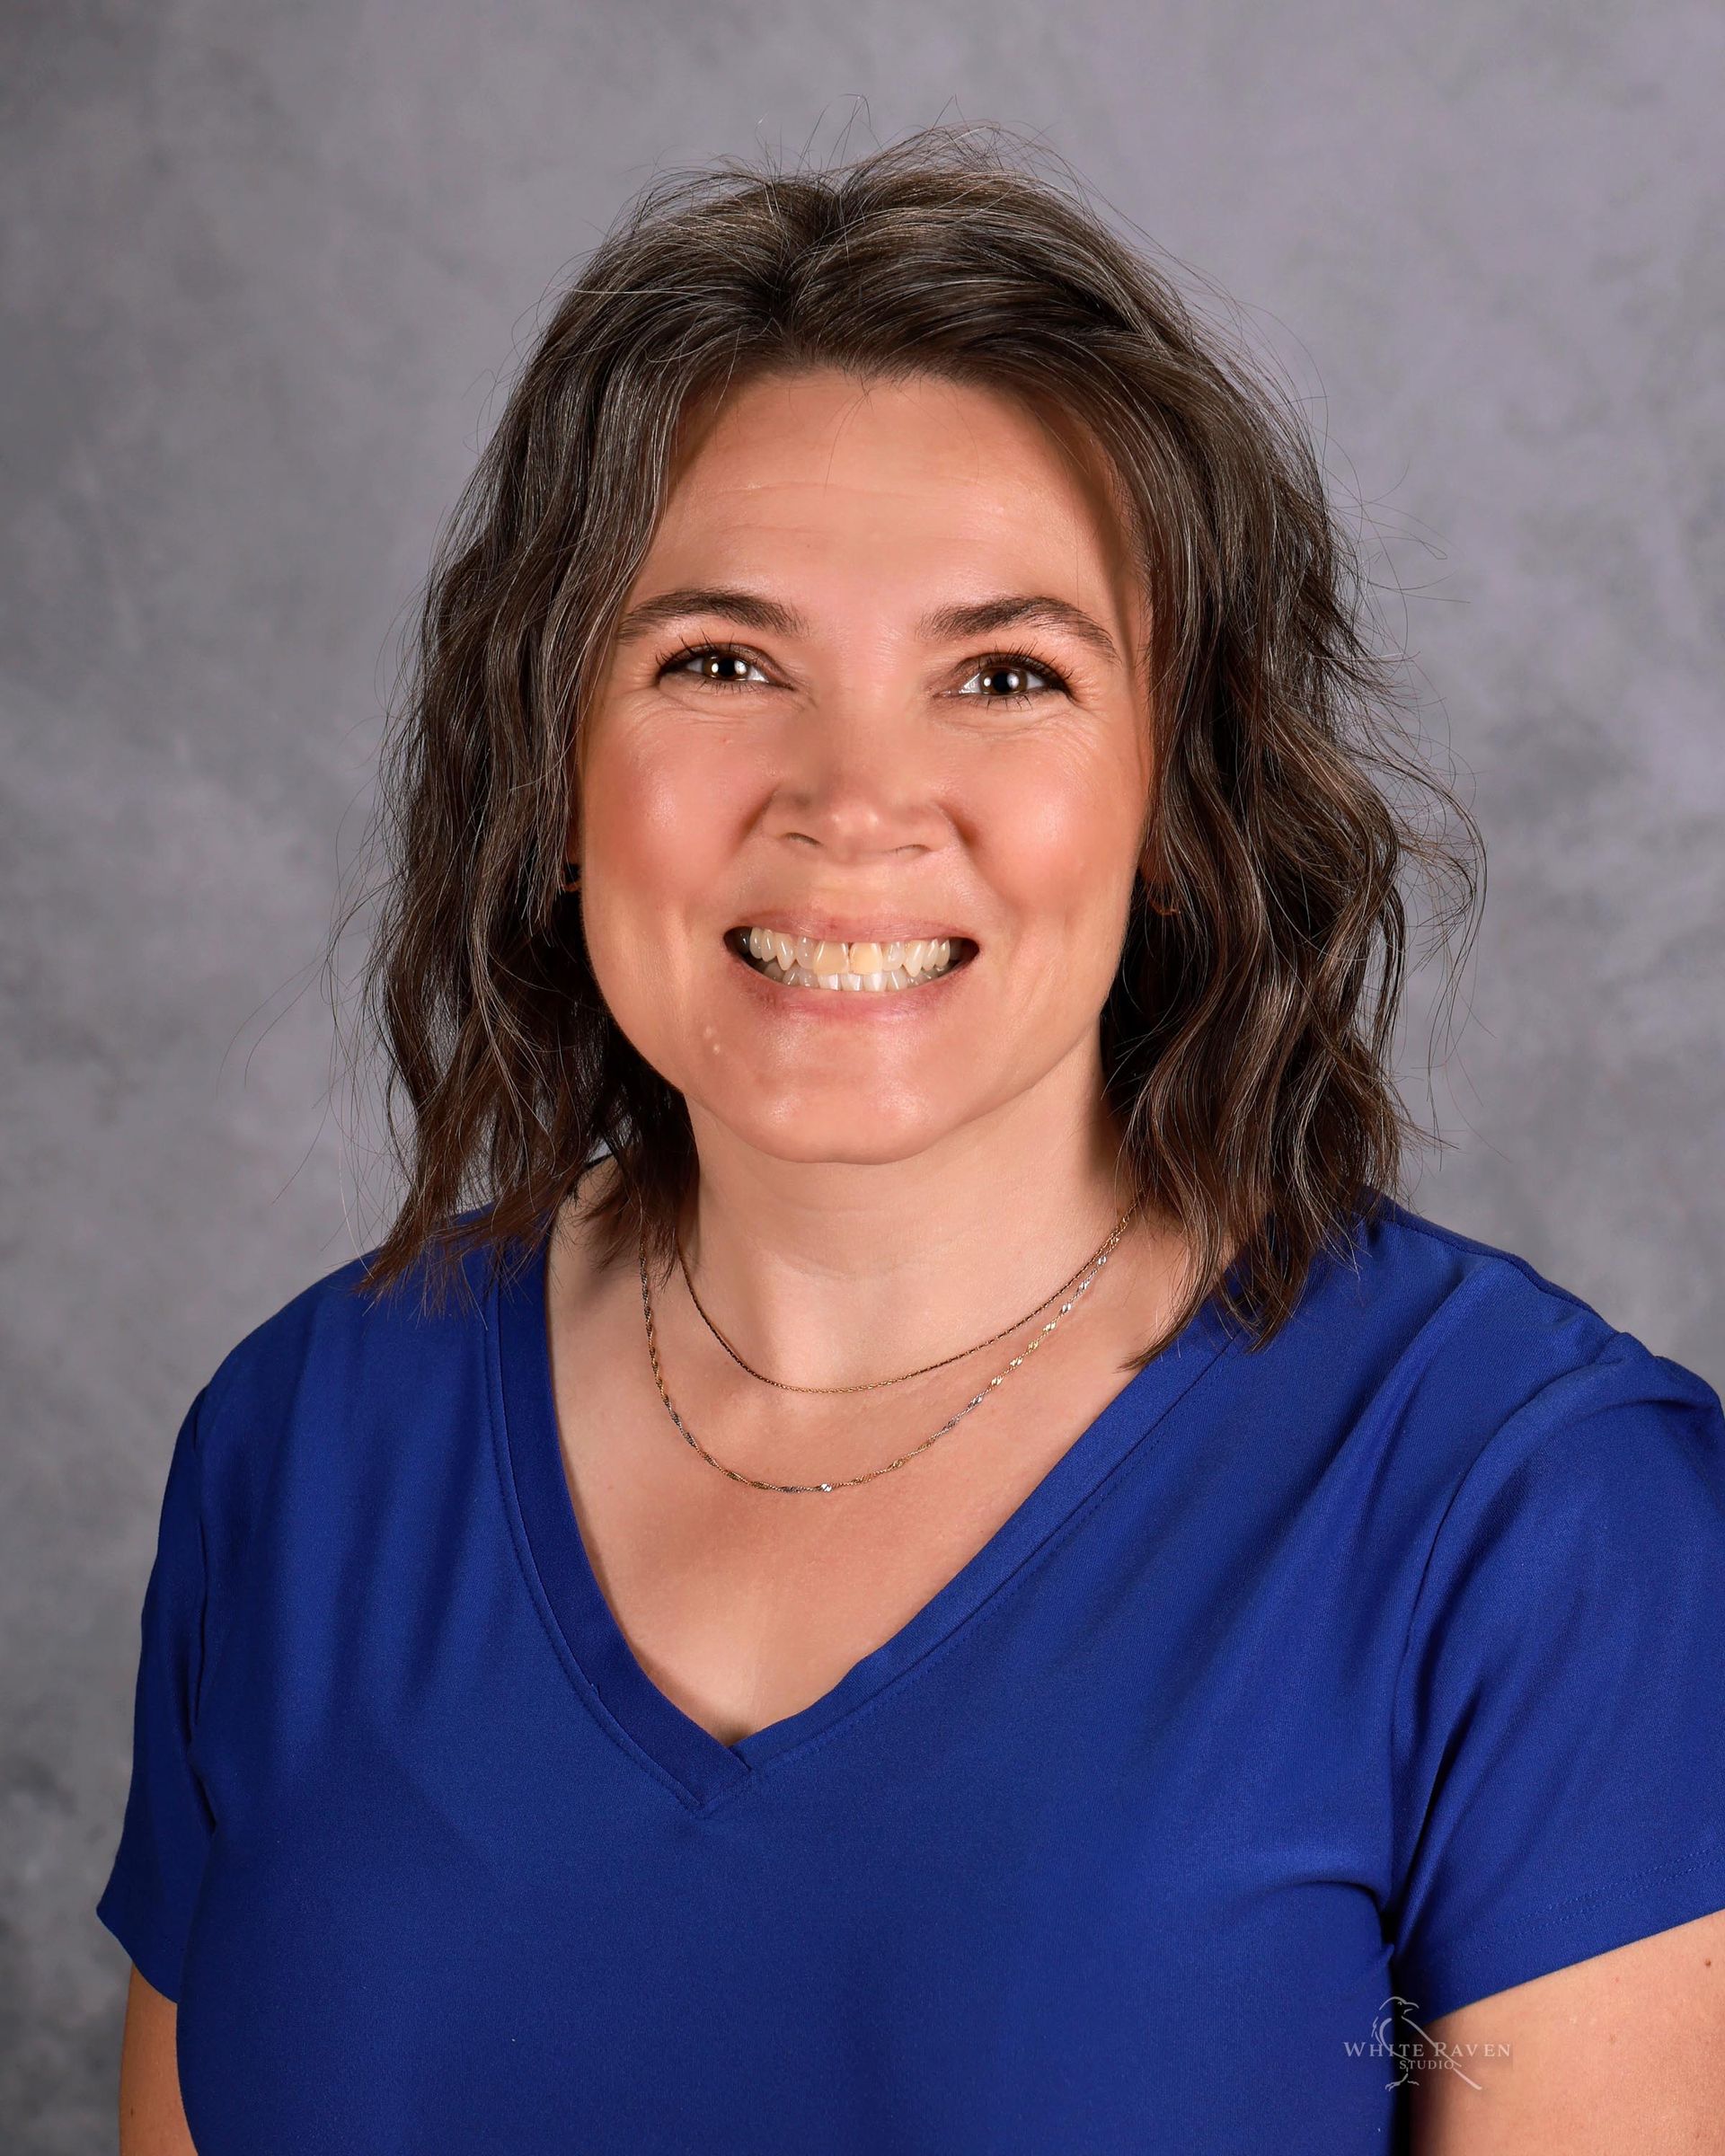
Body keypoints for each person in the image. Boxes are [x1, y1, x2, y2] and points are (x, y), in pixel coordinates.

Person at [99, 128, 1725, 2153]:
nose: (853, 802)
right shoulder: (302, 1445)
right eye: (719, 660)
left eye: (1006, 675)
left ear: (1179, 787)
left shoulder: (1540, 1519)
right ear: (552, 748)